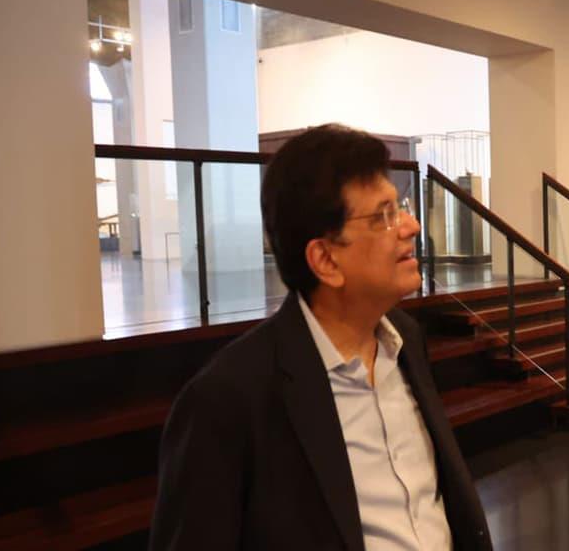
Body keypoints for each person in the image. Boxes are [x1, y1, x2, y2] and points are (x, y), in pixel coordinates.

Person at [150, 124, 491, 550]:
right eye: (384, 215)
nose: (412, 225)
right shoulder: (227, 399)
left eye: (401, 206)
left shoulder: (405, 339)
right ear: (326, 260)